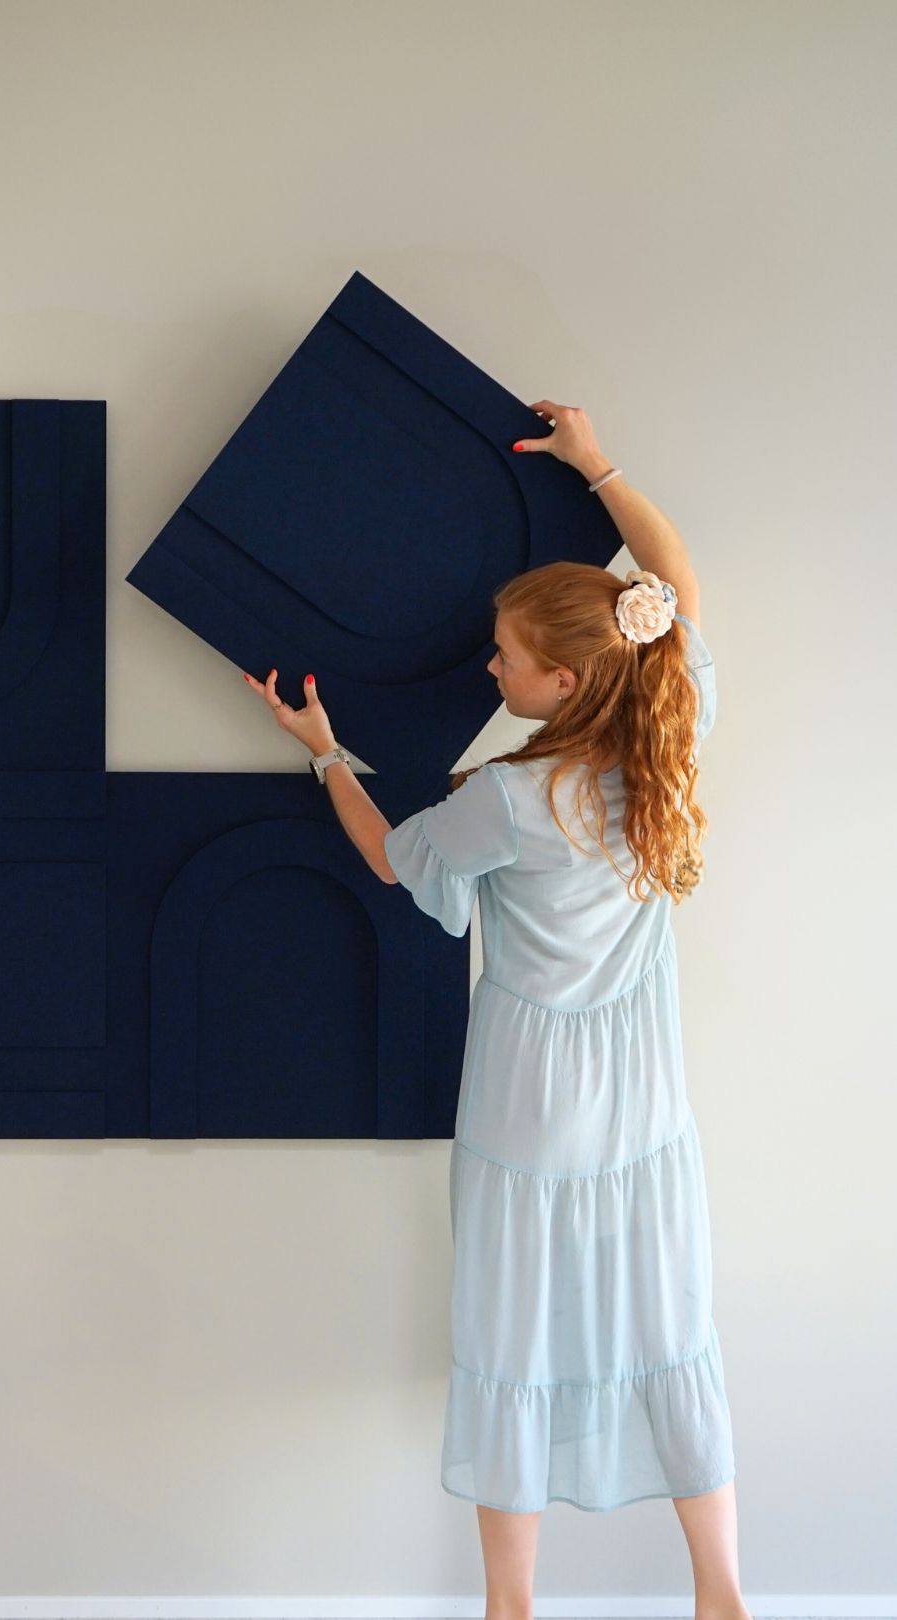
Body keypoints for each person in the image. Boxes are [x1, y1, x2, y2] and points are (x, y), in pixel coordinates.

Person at [244, 402, 749, 1620]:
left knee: (514, 1339)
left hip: (529, 1099)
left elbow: (387, 858)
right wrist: (600, 462)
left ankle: (511, 1605)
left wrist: (322, 752)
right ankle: (721, 1591)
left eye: (508, 659)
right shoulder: (669, 744)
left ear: (562, 682)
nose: (491, 669)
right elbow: (673, 583)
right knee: (667, 1322)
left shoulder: (513, 804)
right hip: (639, 1094)